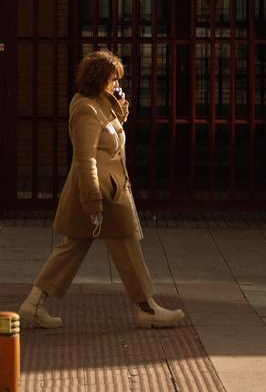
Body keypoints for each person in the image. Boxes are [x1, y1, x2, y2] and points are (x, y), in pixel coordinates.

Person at [19, 49, 185, 329]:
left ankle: (34, 303)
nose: (116, 84)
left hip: (110, 189)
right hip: (100, 192)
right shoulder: (86, 108)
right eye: (113, 79)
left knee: (75, 247)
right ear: (99, 78)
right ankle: (148, 308)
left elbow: (112, 135)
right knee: (121, 244)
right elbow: (86, 158)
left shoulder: (100, 103)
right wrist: (93, 199)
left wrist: (121, 106)